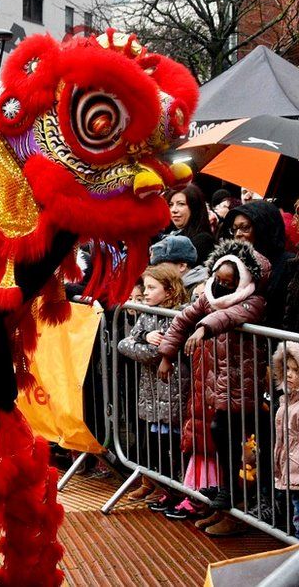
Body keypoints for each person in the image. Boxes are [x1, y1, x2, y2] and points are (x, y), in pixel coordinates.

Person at [157, 240, 271, 536]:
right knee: (220, 438)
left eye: (228, 281)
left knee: (237, 446)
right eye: (218, 279)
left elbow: (230, 316)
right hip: (217, 386)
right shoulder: (209, 297)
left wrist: (204, 327)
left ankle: (236, 509)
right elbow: (183, 318)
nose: (221, 285)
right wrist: (167, 354)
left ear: (243, 279)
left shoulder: (253, 300)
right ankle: (223, 504)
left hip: (243, 388)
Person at [118, 265, 190, 511]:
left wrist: (145, 344)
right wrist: (143, 338)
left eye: (152, 288)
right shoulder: (147, 314)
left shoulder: (180, 316)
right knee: (156, 443)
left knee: (174, 446)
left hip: (173, 391)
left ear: (169, 290)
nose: (145, 293)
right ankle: (159, 486)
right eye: (145, 287)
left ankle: (177, 491)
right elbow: (124, 345)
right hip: (151, 393)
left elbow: (156, 353)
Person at [223, 200, 296, 328]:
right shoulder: (235, 263)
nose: (238, 234)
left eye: (245, 228)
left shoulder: (288, 264)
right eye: (234, 229)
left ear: (263, 228)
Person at [272, 342, 299, 536]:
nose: (289, 374)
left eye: (296, 371)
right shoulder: (287, 401)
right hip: (290, 470)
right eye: (287, 369)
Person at [167, 185, 214, 265]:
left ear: (194, 208)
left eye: (181, 204)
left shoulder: (203, 240)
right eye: (171, 205)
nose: (174, 210)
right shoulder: (169, 235)